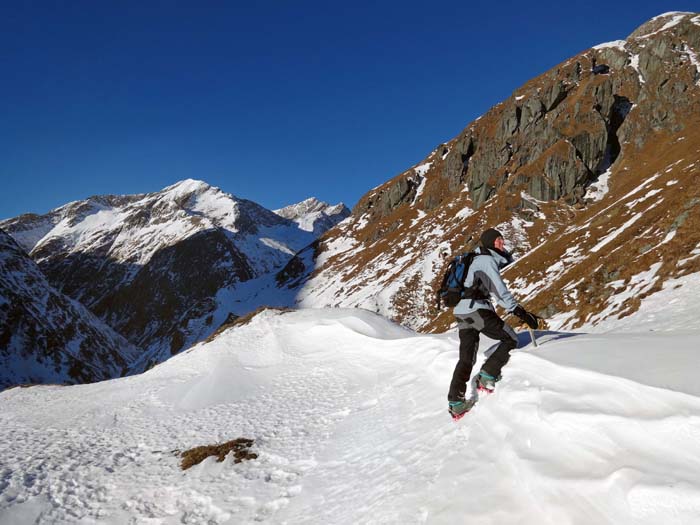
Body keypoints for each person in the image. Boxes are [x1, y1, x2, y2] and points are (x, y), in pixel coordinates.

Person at [448, 228, 539, 420]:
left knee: (466, 358)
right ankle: (488, 375)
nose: (502, 243)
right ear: (490, 242)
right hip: (476, 310)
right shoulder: (486, 261)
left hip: (461, 312)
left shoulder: (474, 259)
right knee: (511, 338)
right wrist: (522, 313)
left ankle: (456, 403)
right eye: (498, 240)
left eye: (502, 240)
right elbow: (500, 293)